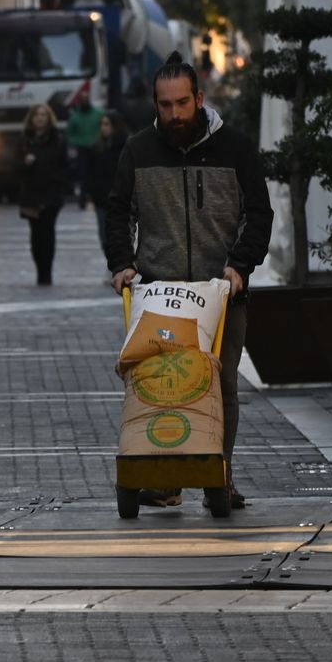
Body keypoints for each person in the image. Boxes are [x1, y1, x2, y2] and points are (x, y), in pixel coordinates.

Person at [104, 51, 273, 510]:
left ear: (199, 98)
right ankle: (165, 477)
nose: (175, 114)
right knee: (159, 383)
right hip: (159, 293)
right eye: (165, 105)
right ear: (155, 105)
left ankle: (221, 473)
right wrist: (122, 264)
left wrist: (239, 266)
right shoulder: (138, 150)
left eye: (182, 103)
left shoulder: (235, 148)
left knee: (221, 383)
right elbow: (118, 211)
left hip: (220, 291)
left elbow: (258, 212)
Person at [16, 102, 68, 286]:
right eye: (36, 115)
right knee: (36, 235)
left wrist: (57, 181)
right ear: (31, 118)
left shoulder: (58, 139)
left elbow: (65, 166)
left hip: (51, 193)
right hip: (31, 194)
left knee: (48, 232)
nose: (40, 118)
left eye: (43, 115)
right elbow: (14, 167)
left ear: (49, 118)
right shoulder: (24, 140)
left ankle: (46, 272)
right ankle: (40, 269)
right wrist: (25, 163)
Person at [84, 110, 129, 253]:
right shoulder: (97, 148)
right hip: (101, 200)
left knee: (119, 238)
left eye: (106, 124)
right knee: (104, 239)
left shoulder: (127, 148)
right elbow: (91, 173)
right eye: (102, 124)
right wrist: (90, 196)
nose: (103, 128)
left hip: (121, 201)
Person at [64, 88, 103, 207]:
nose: (85, 100)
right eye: (82, 98)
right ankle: (82, 200)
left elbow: (103, 128)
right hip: (82, 149)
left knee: (97, 174)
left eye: (86, 98)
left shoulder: (98, 114)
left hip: (96, 148)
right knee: (83, 175)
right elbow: (69, 134)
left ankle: (97, 198)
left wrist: (98, 140)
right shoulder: (75, 116)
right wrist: (78, 142)